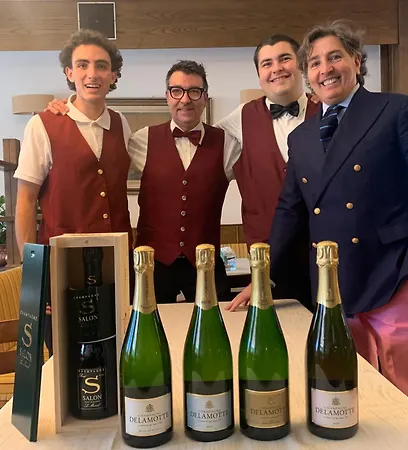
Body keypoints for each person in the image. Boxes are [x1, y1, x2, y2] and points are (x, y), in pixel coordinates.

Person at [228, 20, 408, 421]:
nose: (325, 69)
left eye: (335, 57)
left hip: (395, 274)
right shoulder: (301, 137)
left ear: (357, 62)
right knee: (345, 395)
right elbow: (289, 211)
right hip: (334, 286)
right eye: (315, 62)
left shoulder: (397, 110)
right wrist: (264, 277)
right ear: (307, 74)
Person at [14, 29, 133, 355]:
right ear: (69, 73)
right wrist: (35, 275)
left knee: (119, 358)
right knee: (67, 365)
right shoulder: (42, 125)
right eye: (82, 65)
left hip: (116, 268)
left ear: (113, 75)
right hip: (62, 271)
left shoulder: (121, 124)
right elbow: (25, 201)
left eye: (101, 65)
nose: (92, 74)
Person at [217, 35, 320, 306]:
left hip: (323, 253)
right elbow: (203, 148)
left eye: (285, 59)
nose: (277, 69)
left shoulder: (328, 110)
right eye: (267, 63)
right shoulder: (241, 117)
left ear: (301, 64)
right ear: (259, 75)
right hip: (267, 257)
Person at [129, 60, 240, 303]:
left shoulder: (228, 144)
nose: (185, 99)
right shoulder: (141, 140)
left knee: (217, 325)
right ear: (167, 96)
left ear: (205, 97)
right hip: (152, 265)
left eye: (194, 91)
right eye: (177, 91)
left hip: (206, 264)